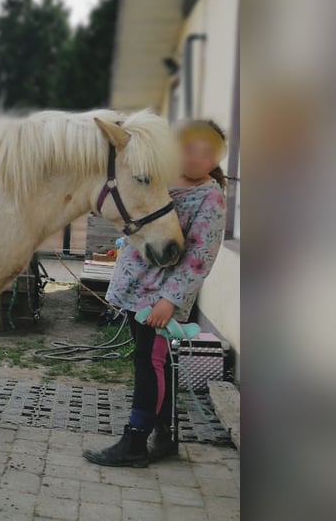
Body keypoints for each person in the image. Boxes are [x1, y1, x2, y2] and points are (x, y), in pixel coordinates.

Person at [83, 119, 228, 467]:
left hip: (159, 300)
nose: (195, 157)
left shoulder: (210, 197)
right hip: (135, 289)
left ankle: (135, 442)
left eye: (206, 152)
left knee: (151, 364)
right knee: (151, 362)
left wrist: (170, 301)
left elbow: (198, 258)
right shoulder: (161, 181)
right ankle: (165, 434)